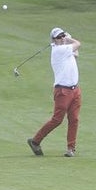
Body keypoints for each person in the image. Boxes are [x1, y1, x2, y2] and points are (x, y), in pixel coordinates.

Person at [27, 27, 81, 158]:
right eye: (59, 37)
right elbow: (78, 44)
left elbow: (77, 53)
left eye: (63, 35)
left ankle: (71, 149)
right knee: (57, 120)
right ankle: (35, 141)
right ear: (53, 40)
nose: (62, 38)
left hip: (75, 90)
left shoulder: (65, 48)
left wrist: (66, 41)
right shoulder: (58, 50)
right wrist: (69, 39)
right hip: (63, 91)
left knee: (74, 119)